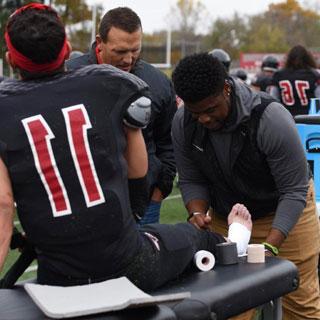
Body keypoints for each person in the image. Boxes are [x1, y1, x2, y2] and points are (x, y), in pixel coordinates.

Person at [0, 3, 252, 292]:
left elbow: (3, 204)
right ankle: (236, 241)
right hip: (127, 265)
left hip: (57, 276)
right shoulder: (110, 83)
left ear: (10, 58)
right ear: (67, 50)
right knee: (197, 238)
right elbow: (137, 169)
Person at [171, 52, 320, 320]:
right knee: (227, 304)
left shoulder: (269, 117)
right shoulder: (183, 122)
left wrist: (271, 245)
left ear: (226, 89)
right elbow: (192, 178)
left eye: (210, 109)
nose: (203, 119)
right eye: (196, 112)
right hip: (228, 218)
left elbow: (294, 190)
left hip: (285, 212)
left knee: (300, 307)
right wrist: (196, 212)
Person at [66, 7, 177, 225]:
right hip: (84, 201)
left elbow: (168, 143)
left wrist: (158, 191)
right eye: (120, 51)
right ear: (100, 42)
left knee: (143, 260)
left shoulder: (158, 83)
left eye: (135, 50)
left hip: (144, 202)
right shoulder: (68, 77)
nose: (128, 59)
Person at [270, 45, 320, 116]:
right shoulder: (314, 74)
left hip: (286, 118)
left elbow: (273, 99)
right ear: (307, 58)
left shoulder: (279, 75)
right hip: (309, 118)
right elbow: (319, 97)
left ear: (289, 58)